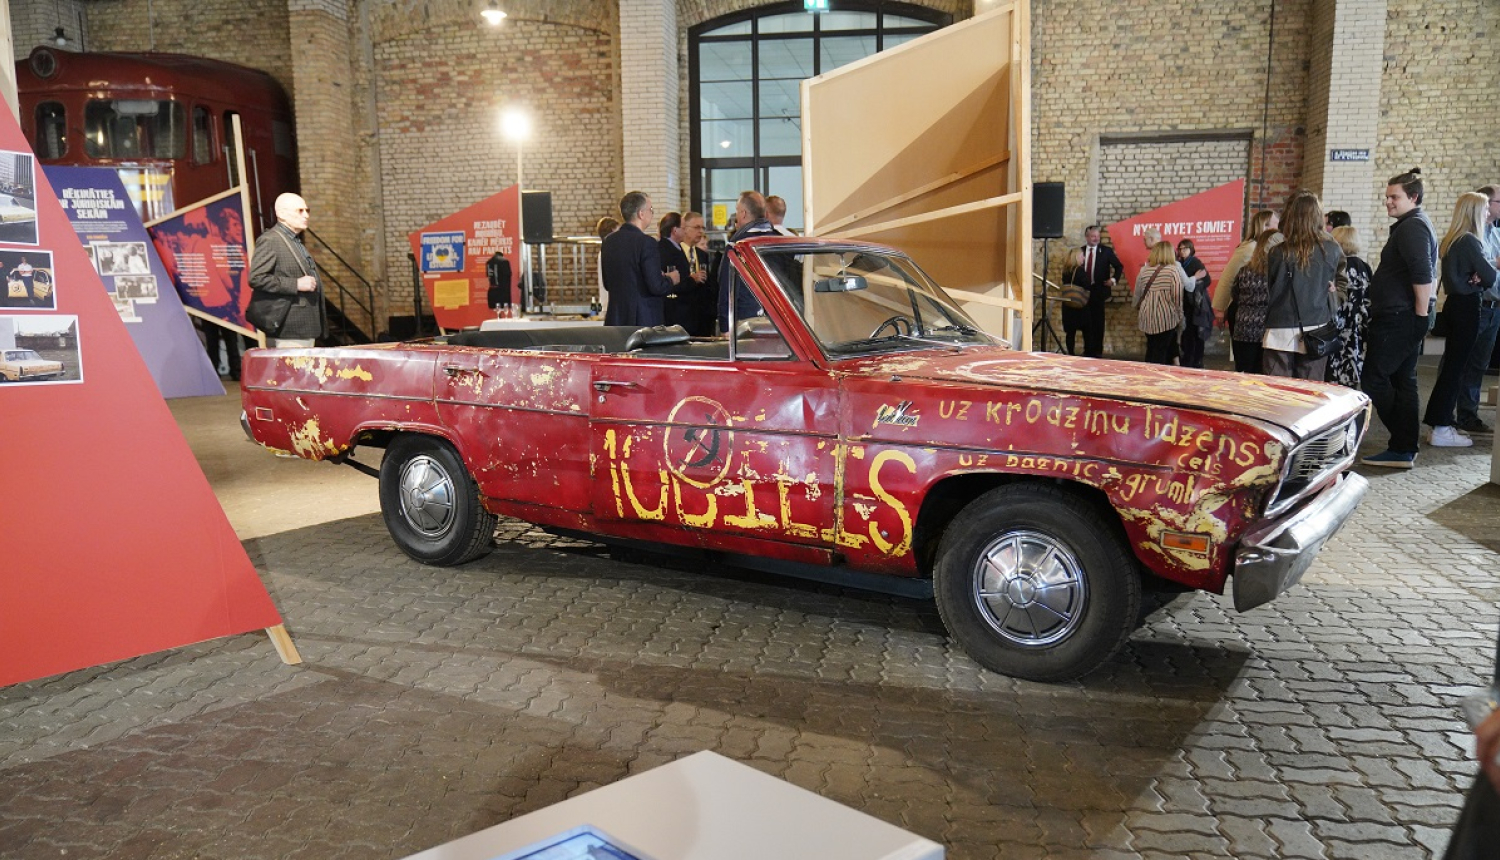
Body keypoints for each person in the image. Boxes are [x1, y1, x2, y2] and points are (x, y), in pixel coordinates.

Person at [1361, 168, 1439, 469]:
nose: (1388, 202)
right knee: (1403, 379)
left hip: (1400, 317)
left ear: (1413, 197)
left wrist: (1420, 316)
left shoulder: (1413, 227)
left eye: (1394, 197)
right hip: (1404, 315)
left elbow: (1423, 274)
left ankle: (1404, 442)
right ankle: (1403, 447)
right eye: (1387, 197)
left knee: (1373, 379)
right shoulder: (1414, 224)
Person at [1422, 192, 1500, 447]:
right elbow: (1488, 277)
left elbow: (1481, 274)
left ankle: (1438, 423)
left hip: (1457, 305)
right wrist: (1485, 270)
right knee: (1456, 370)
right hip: (1467, 307)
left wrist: (1481, 271)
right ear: (1475, 210)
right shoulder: (1470, 241)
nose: (1489, 212)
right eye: (1486, 207)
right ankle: (1442, 427)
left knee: (1453, 369)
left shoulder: (1453, 239)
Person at [1261, 191, 1346, 380]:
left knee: (1277, 393)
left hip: (1279, 329)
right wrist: (1333, 299)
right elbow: (1341, 285)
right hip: (1318, 328)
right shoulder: (1331, 250)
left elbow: (1271, 287)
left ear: (1291, 216)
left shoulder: (1276, 252)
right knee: (1310, 394)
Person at [247, 193, 325, 348]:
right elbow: (256, 278)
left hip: (304, 328)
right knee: (291, 372)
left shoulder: (293, 240)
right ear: (281, 214)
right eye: (300, 211)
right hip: (289, 330)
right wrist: (295, 284)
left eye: (307, 210)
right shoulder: (271, 240)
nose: (306, 215)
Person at [1453, 185, 1500, 436]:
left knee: (1479, 364)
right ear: (1487, 204)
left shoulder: (1496, 232)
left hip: (1495, 307)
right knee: (1460, 361)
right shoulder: (1472, 235)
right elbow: (1483, 269)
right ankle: (1446, 415)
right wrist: (1493, 264)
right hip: (1477, 304)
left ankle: (1468, 415)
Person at [601, 191, 678, 327]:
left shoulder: (609, 241)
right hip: (643, 320)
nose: (652, 213)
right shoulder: (646, 243)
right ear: (641, 214)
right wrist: (671, 278)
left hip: (616, 319)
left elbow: (607, 283)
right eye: (651, 209)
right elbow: (656, 287)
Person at [717, 190, 776, 333]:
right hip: (778, 322)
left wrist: (725, 326)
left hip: (745, 323)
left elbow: (727, 289)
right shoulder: (781, 243)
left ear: (743, 213)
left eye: (737, 211)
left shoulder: (736, 246)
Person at [1226, 229, 1281, 374]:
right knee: (1264, 374)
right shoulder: (1277, 271)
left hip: (1243, 328)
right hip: (1267, 330)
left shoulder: (1245, 270)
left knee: (1244, 373)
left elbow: (1235, 294)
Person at [1213, 209, 1279, 327]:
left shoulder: (1271, 248)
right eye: (1276, 223)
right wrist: (1220, 309)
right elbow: (1229, 276)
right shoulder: (1250, 248)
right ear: (1265, 226)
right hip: (1244, 311)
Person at [1065, 225, 1123, 358]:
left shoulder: (1106, 251)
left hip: (1099, 293)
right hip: (1082, 294)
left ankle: (1097, 351)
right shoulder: (1080, 251)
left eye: (1098, 236)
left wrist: (1113, 280)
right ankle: (1088, 350)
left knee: (1098, 323)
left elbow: (1119, 266)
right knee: (1086, 323)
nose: (1096, 238)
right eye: (1093, 236)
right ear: (1087, 237)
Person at [1327, 225, 1372, 388]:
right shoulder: (1364, 267)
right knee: (1353, 364)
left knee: (1335, 369)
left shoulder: (1338, 266)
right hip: (1358, 325)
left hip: (1339, 325)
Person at [1133, 240, 1186, 365]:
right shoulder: (1173, 271)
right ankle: (1156, 378)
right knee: (1161, 352)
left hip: (1147, 315)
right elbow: (1177, 296)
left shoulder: (1145, 270)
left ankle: (1147, 375)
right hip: (1165, 317)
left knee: (1151, 348)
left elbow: (1139, 292)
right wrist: (1180, 315)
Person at [658, 211, 708, 332]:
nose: (701, 231)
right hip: (676, 315)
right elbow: (670, 283)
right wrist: (692, 279)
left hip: (697, 316)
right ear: (677, 230)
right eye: (696, 227)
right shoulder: (667, 250)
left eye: (703, 228)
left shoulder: (701, 254)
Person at [1176, 238, 1212, 368]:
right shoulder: (1179, 263)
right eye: (1180, 249)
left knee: (1195, 332)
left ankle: (1196, 360)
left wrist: (1194, 286)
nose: (1182, 251)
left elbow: (1207, 280)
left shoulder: (1196, 263)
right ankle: (1188, 358)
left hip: (1195, 305)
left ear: (1191, 249)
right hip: (1183, 303)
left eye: (1185, 248)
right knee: (1187, 333)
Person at [594, 216, 620, 316]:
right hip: (611, 305)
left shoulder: (604, 251)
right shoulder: (611, 251)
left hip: (606, 303)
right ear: (613, 230)